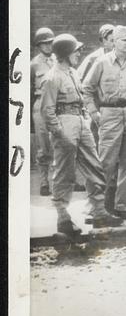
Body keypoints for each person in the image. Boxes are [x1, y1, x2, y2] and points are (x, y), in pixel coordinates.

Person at [40, 34, 123, 233]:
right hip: (64, 123)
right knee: (64, 172)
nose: (79, 53)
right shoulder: (53, 77)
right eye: (75, 51)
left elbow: (81, 98)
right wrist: (59, 132)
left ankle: (99, 211)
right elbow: (47, 110)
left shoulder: (73, 73)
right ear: (65, 53)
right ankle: (63, 217)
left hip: (80, 122)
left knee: (95, 165)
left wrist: (85, 118)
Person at [83, 25, 126, 219]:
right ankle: (99, 206)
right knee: (105, 162)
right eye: (123, 40)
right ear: (113, 42)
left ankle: (121, 206)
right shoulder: (101, 63)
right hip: (109, 112)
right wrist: (94, 113)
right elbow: (87, 89)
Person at [31, 27, 56, 196]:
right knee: (43, 146)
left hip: (56, 105)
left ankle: (62, 181)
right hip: (40, 105)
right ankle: (44, 182)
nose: (48, 46)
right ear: (38, 46)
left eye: (50, 43)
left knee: (60, 143)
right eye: (44, 44)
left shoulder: (58, 60)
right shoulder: (33, 64)